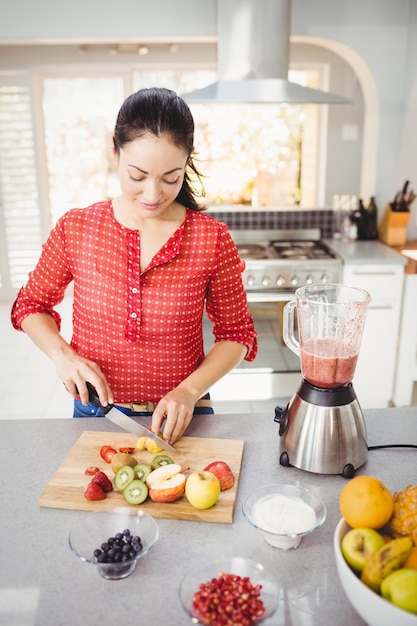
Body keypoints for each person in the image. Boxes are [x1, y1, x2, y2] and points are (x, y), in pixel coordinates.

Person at [11, 87, 257, 444]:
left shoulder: (211, 238)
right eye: (137, 176)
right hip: (96, 412)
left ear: (187, 161)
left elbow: (236, 335)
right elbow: (30, 306)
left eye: (171, 178)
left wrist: (188, 392)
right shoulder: (77, 228)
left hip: (185, 417)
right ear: (115, 151)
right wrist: (62, 355)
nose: (153, 195)